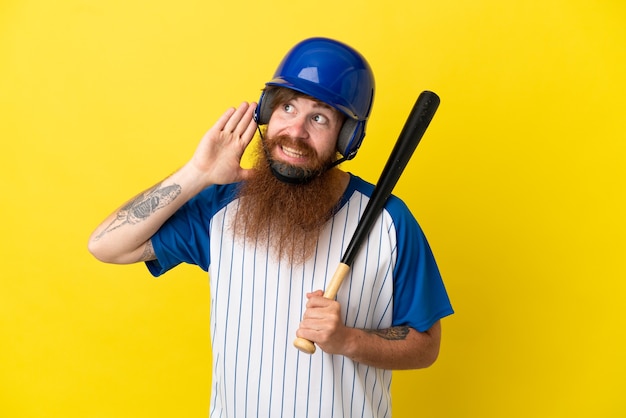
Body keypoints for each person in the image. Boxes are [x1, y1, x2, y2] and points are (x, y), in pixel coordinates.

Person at [88, 37, 453, 418]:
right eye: (287, 107)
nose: (295, 131)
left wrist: (348, 340)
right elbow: (106, 245)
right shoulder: (221, 207)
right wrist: (196, 174)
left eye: (319, 117)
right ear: (266, 113)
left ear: (347, 137)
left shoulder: (389, 222)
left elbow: (425, 345)